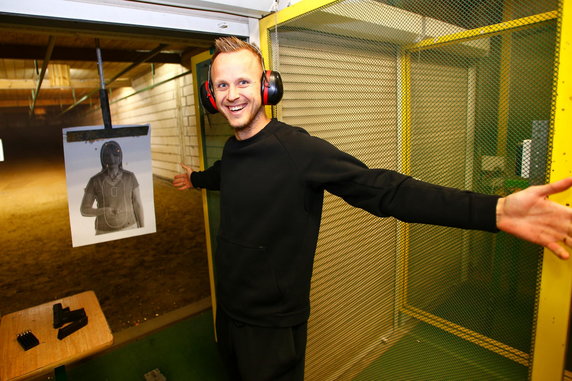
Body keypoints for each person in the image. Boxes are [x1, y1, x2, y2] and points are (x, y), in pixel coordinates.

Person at [173, 36, 572, 381]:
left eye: (243, 81)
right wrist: (196, 179)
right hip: (229, 312)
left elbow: (385, 190)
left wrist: (494, 211)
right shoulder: (233, 148)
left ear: (267, 88)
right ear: (211, 95)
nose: (232, 94)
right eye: (222, 85)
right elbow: (228, 174)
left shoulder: (298, 150)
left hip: (272, 326)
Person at [81, 140, 144, 235]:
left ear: (121, 156)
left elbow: (137, 204)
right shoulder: (94, 180)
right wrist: (103, 211)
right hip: (103, 232)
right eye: (107, 155)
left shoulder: (130, 177)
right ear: (103, 158)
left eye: (115, 154)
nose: (111, 158)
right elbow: (84, 210)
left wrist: (142, 229)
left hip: (130, 228)